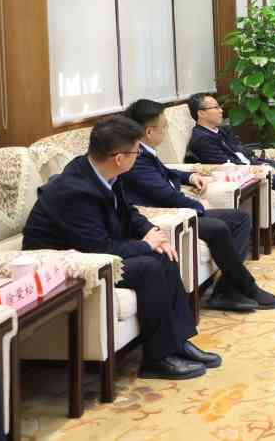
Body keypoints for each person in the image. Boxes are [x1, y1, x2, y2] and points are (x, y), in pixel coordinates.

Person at [21, 116, 220, 380]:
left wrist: (149, 231)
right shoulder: (73, 192)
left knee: (164, 256)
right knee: (150, 266)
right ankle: (156, 359)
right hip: (64, 262)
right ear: (118, 157)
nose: (139, 156)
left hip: (92, 249)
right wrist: (145, 246)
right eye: (136, 152)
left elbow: (128, 212)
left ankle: (177, 343)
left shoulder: (105, 172)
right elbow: (97, 248)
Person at [120, 99, 275, 312]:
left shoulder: (145, 151)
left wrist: (189, 176)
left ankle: (226, 290)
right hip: (166, 216)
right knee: (218, 227)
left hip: (178, 210)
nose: (167, 130)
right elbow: (164, 195)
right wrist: (197, 205)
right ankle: (247, 287)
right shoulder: (136, 157)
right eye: (164, 126)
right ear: (149, 132)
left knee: (240, 218)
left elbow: (165, 171)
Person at [186, 93, 275, 252]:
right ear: (201, 113)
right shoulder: (201, 139)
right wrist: (260, 169)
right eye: (216, 107)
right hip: (245, 176)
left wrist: (263, 164)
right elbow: (225, 165)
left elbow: (242, 152)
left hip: (254, 167)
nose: (221, 110)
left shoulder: (221, 131)